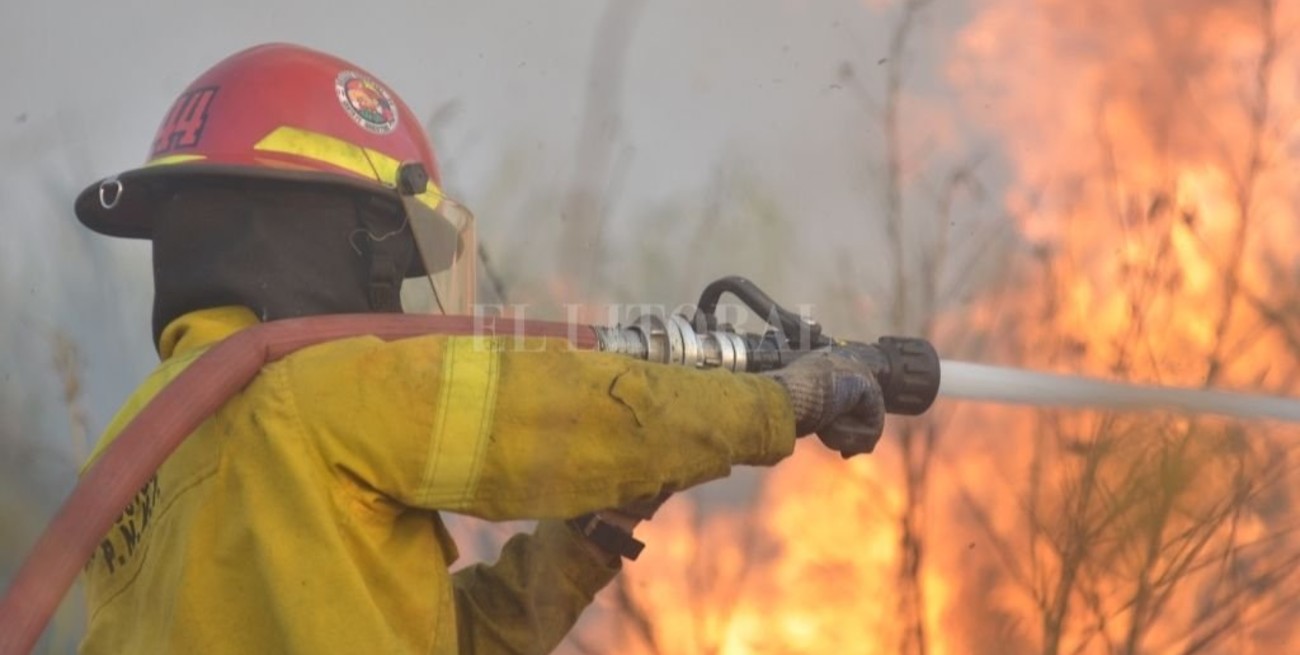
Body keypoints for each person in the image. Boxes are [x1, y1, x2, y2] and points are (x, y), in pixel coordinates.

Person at [72, 43, 886, 654]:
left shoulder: (134, 454)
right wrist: (784, 399)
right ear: (326, 235)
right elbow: (565, 413)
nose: (395, 303)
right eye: (388, 259)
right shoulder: (313, 388)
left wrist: (590, 537)